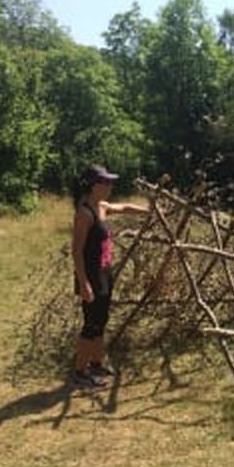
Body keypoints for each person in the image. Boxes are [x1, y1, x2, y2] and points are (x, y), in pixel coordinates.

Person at [71, 164, 149, 388]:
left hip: (104, 272)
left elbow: (124, 207)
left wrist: (149, 211)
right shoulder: (84, 213)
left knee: (101, 321)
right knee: (91, 324)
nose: (109, 186)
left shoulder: (101, 206)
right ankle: (80, 371)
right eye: (105, 182)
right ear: (93, 186)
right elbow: (76, 251)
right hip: (91, 276)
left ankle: (96, 363)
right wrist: (84, 284)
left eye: (110, 182)